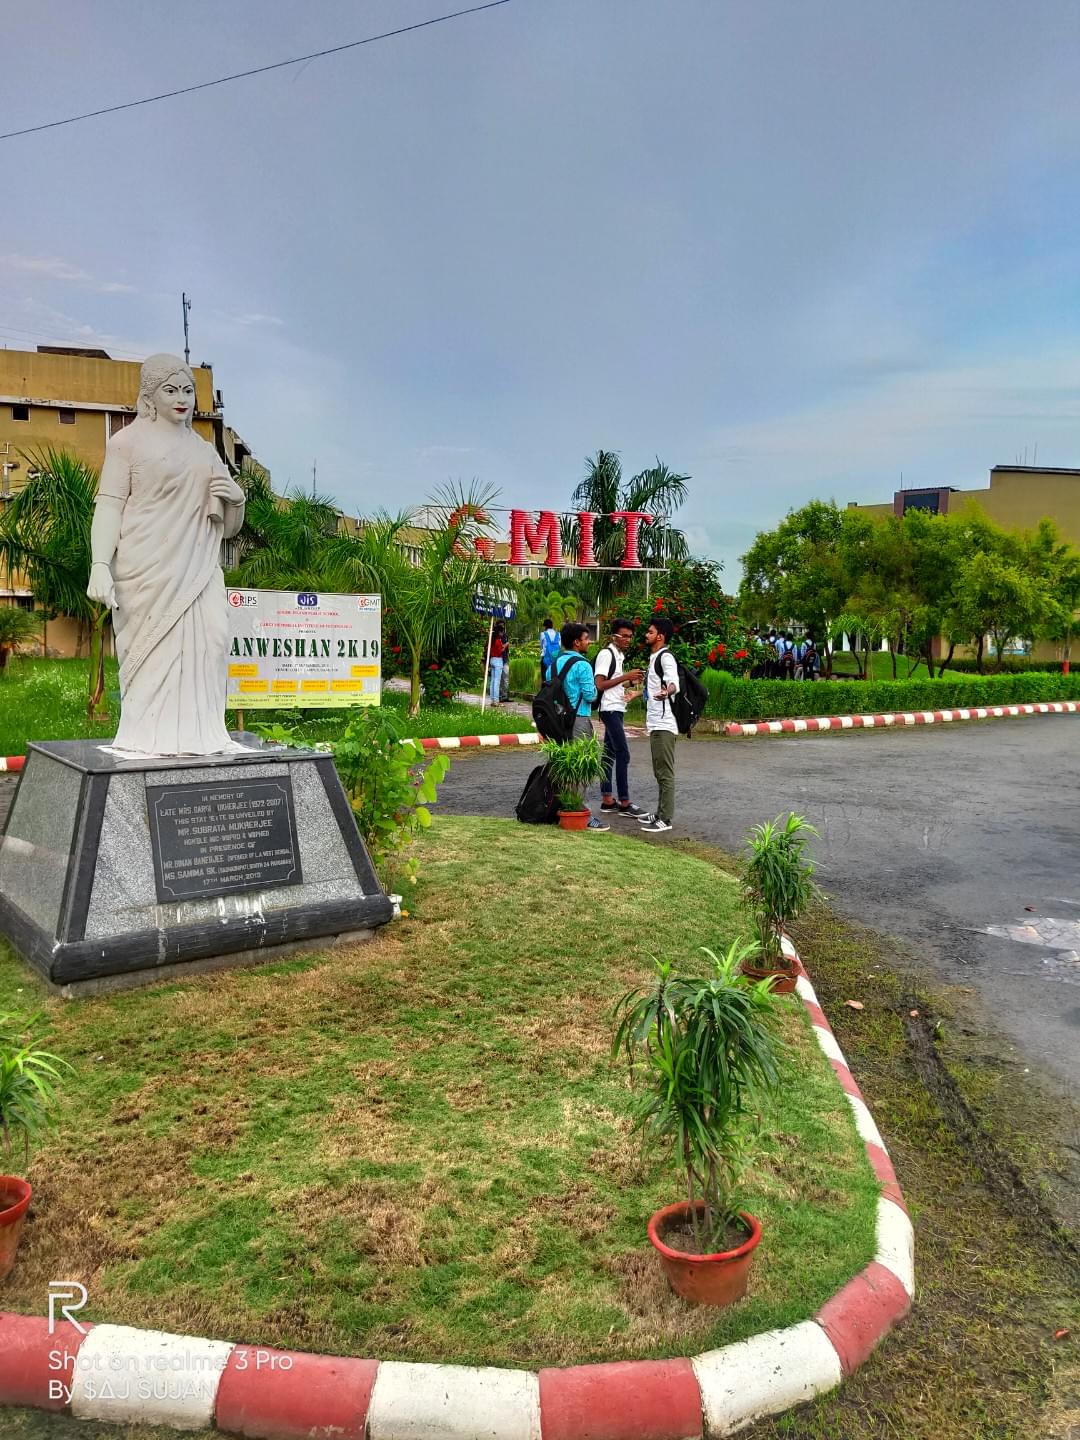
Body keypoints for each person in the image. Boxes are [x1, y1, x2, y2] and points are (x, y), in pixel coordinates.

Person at [86, 353, 246, 755]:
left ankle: (202, 732)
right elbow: (108, 505)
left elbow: (224, 528)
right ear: (150, 396)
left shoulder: (205, 451)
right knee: (154, 653)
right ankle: (148, 735)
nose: (182, 399)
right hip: (147, 568)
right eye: (170, 390)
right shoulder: (126, 443)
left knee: (213, 638)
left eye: (188, 391)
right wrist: (100, 564)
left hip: (199, 568)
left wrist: (237, 501)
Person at [552, 622, 608, 831]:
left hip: (558, 720)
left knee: (564, 766)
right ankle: (578, 812)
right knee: (580, 767)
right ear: (577, 642)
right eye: (586, 638)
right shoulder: (583, 664)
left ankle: (563, 809)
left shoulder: (555, 663)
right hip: (579, 719)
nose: (589, 642)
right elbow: (591, 695)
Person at [593, 619, 645, 817]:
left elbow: (613, 685)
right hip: (610, 709)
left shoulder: (618, 655)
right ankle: (624, 802)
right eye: (624, 636)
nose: (628, 639)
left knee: (609, 753)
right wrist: (625, 677)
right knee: (623, 753)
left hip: (617, 707)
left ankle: (607, 800)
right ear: (613, 636)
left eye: (630, 636)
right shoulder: (607, 654)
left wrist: (630, 682)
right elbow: (600, 684)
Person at [637, 615, 679, 833]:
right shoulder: (655, 658)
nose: (647, 634)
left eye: (650, 632)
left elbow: (674, 683)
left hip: (665, 723)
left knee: (665, 772)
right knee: (659, 771)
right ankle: (660, 812)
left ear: (660, 637)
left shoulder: (665, 658)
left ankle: (666, 819)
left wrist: (667, 691)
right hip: (655, 723)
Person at [488, 622, 507, 705]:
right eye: (502, 632)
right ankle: (496, 701)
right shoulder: (498, 640)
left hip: (492, 660)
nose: (502, 634)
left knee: (492, 680)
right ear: (499, 632)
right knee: (497, 681)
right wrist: (505, 645)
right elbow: (500, 651)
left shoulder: (492, 639)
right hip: (498, 660)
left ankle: (492, 699)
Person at [540, 617, 560, 683]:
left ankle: (544, 692)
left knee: (544, 680)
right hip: (555, 660)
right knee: (554, 678)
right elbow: (559, 646)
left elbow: (541, 647)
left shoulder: (543, 634)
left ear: (545, 626)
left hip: (545, 659)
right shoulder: (558, 634)